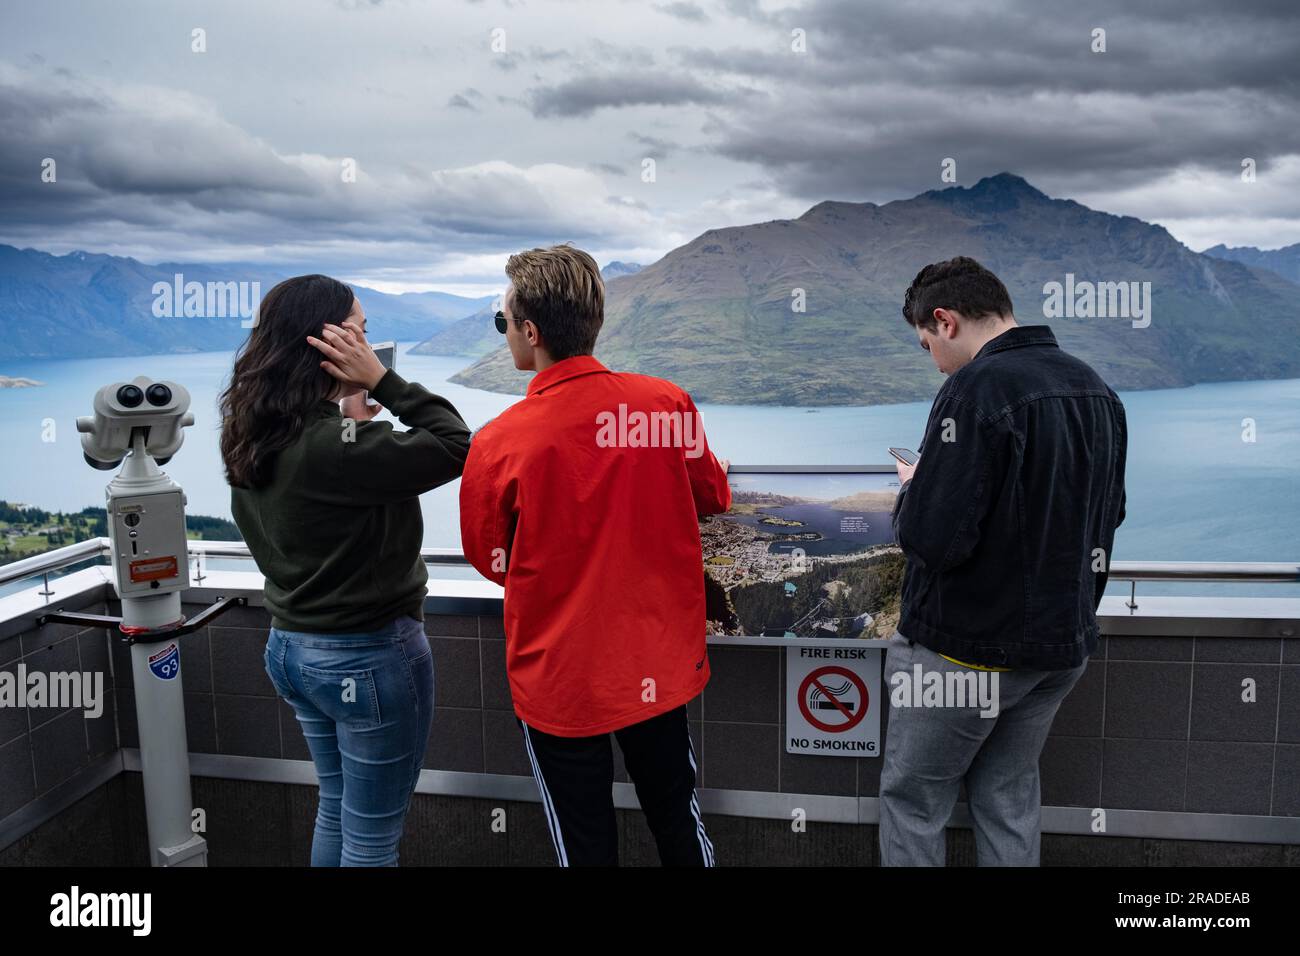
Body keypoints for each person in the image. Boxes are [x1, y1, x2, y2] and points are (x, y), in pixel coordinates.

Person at [459, 244, 731, 866]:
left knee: (583, 844)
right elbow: (712, 494)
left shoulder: (498, 442)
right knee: (677, 819)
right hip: (657, 663)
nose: (504, 336)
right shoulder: (665, 406)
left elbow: (488, 556)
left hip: (561, 676)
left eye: (502, 323)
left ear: (529, 332)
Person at [879, 256, 1127, 866]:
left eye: (925, 344)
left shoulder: (975, 388)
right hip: (1057, 650)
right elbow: (1108, 513)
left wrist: (915, 487)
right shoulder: (1094, 386)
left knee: (914, 800)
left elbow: (933, 539)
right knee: (1006, 798)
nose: (931, 359)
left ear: (946, 321)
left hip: (964, 652)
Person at [220, 274, 471, 866]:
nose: (367, 344)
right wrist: (384, 381)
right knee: (372, 839)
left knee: (335, 807)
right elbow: (459, 445)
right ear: (325, 345)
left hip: (291, 650)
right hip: (367, 655)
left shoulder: (253, 433)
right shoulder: (339, 446)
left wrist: (351, 407)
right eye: (358, 332)